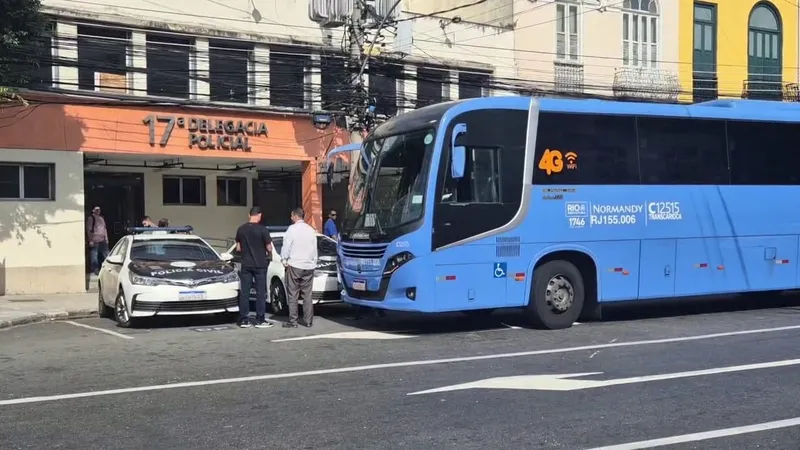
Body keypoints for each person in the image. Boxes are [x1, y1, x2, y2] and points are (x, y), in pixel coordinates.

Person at [235, 207, 274, 329]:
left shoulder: (241, 229)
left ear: (249, 215)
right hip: (260, 264)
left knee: (245, 292)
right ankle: (260, 319)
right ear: (260, 215)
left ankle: (243, 319)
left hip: (246, 264)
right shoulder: (263, 229)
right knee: (260, 293)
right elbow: (269, 247)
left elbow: (238, 248)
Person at [281, 207, 318, 328]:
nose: (291, 218)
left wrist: (284, 259)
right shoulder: (311, 230)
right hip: (309, 265)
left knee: (293, 294)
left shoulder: (292, 229)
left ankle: (293, 321)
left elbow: (286, 246)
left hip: (295, 264)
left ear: (295, 216)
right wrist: (314, 262)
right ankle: (308, 321)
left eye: (292, 216)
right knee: (307, 295)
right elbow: (314, 249)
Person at [86, 206, 109, 275]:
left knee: (106, 254)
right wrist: (90, 240)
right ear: (93, 210)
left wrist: (106, 238)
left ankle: (108, 268)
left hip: (103, 239)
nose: (98, 211)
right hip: (95, 240)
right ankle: (95, 270)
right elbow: (89, 230)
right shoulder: (91, 218)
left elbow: (105, 229)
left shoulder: (101, 218)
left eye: (99, 209)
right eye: (96, 209)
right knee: (94, 256)